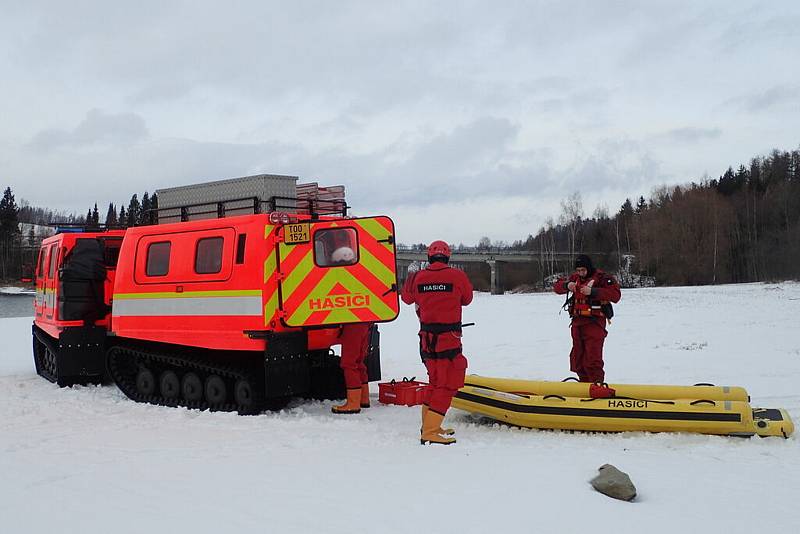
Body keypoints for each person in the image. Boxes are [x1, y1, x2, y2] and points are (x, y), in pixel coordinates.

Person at [401, 240, 473, 445]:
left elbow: (406, 298)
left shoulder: (419, 277)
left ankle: (429, 425)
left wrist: (412, 277)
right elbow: (467, 299)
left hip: (426, 340)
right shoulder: (457, 276)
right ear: (447, 256)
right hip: (448, 341)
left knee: (435, 383)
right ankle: (430, 431)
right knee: (447, 385)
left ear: (429, 257)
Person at [553, 254, 621, 384]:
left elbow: (616, 295)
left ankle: (597, 385)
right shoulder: (575, 278)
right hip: (577, 323)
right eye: (578, 270)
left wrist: (593, 292)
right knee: (578, 358)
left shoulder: (603, 279)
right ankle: (584, 385)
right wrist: (567, 285)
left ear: (589, 268)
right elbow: (557, 287)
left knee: (593, 358)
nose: (581, 273)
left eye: (583, 270)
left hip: (594, 324)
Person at [331, 322, 373, 414]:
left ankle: (353, 404)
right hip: (365, 323)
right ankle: (363, 399)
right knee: (359, 361)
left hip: (352, 324)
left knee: (349, 364)